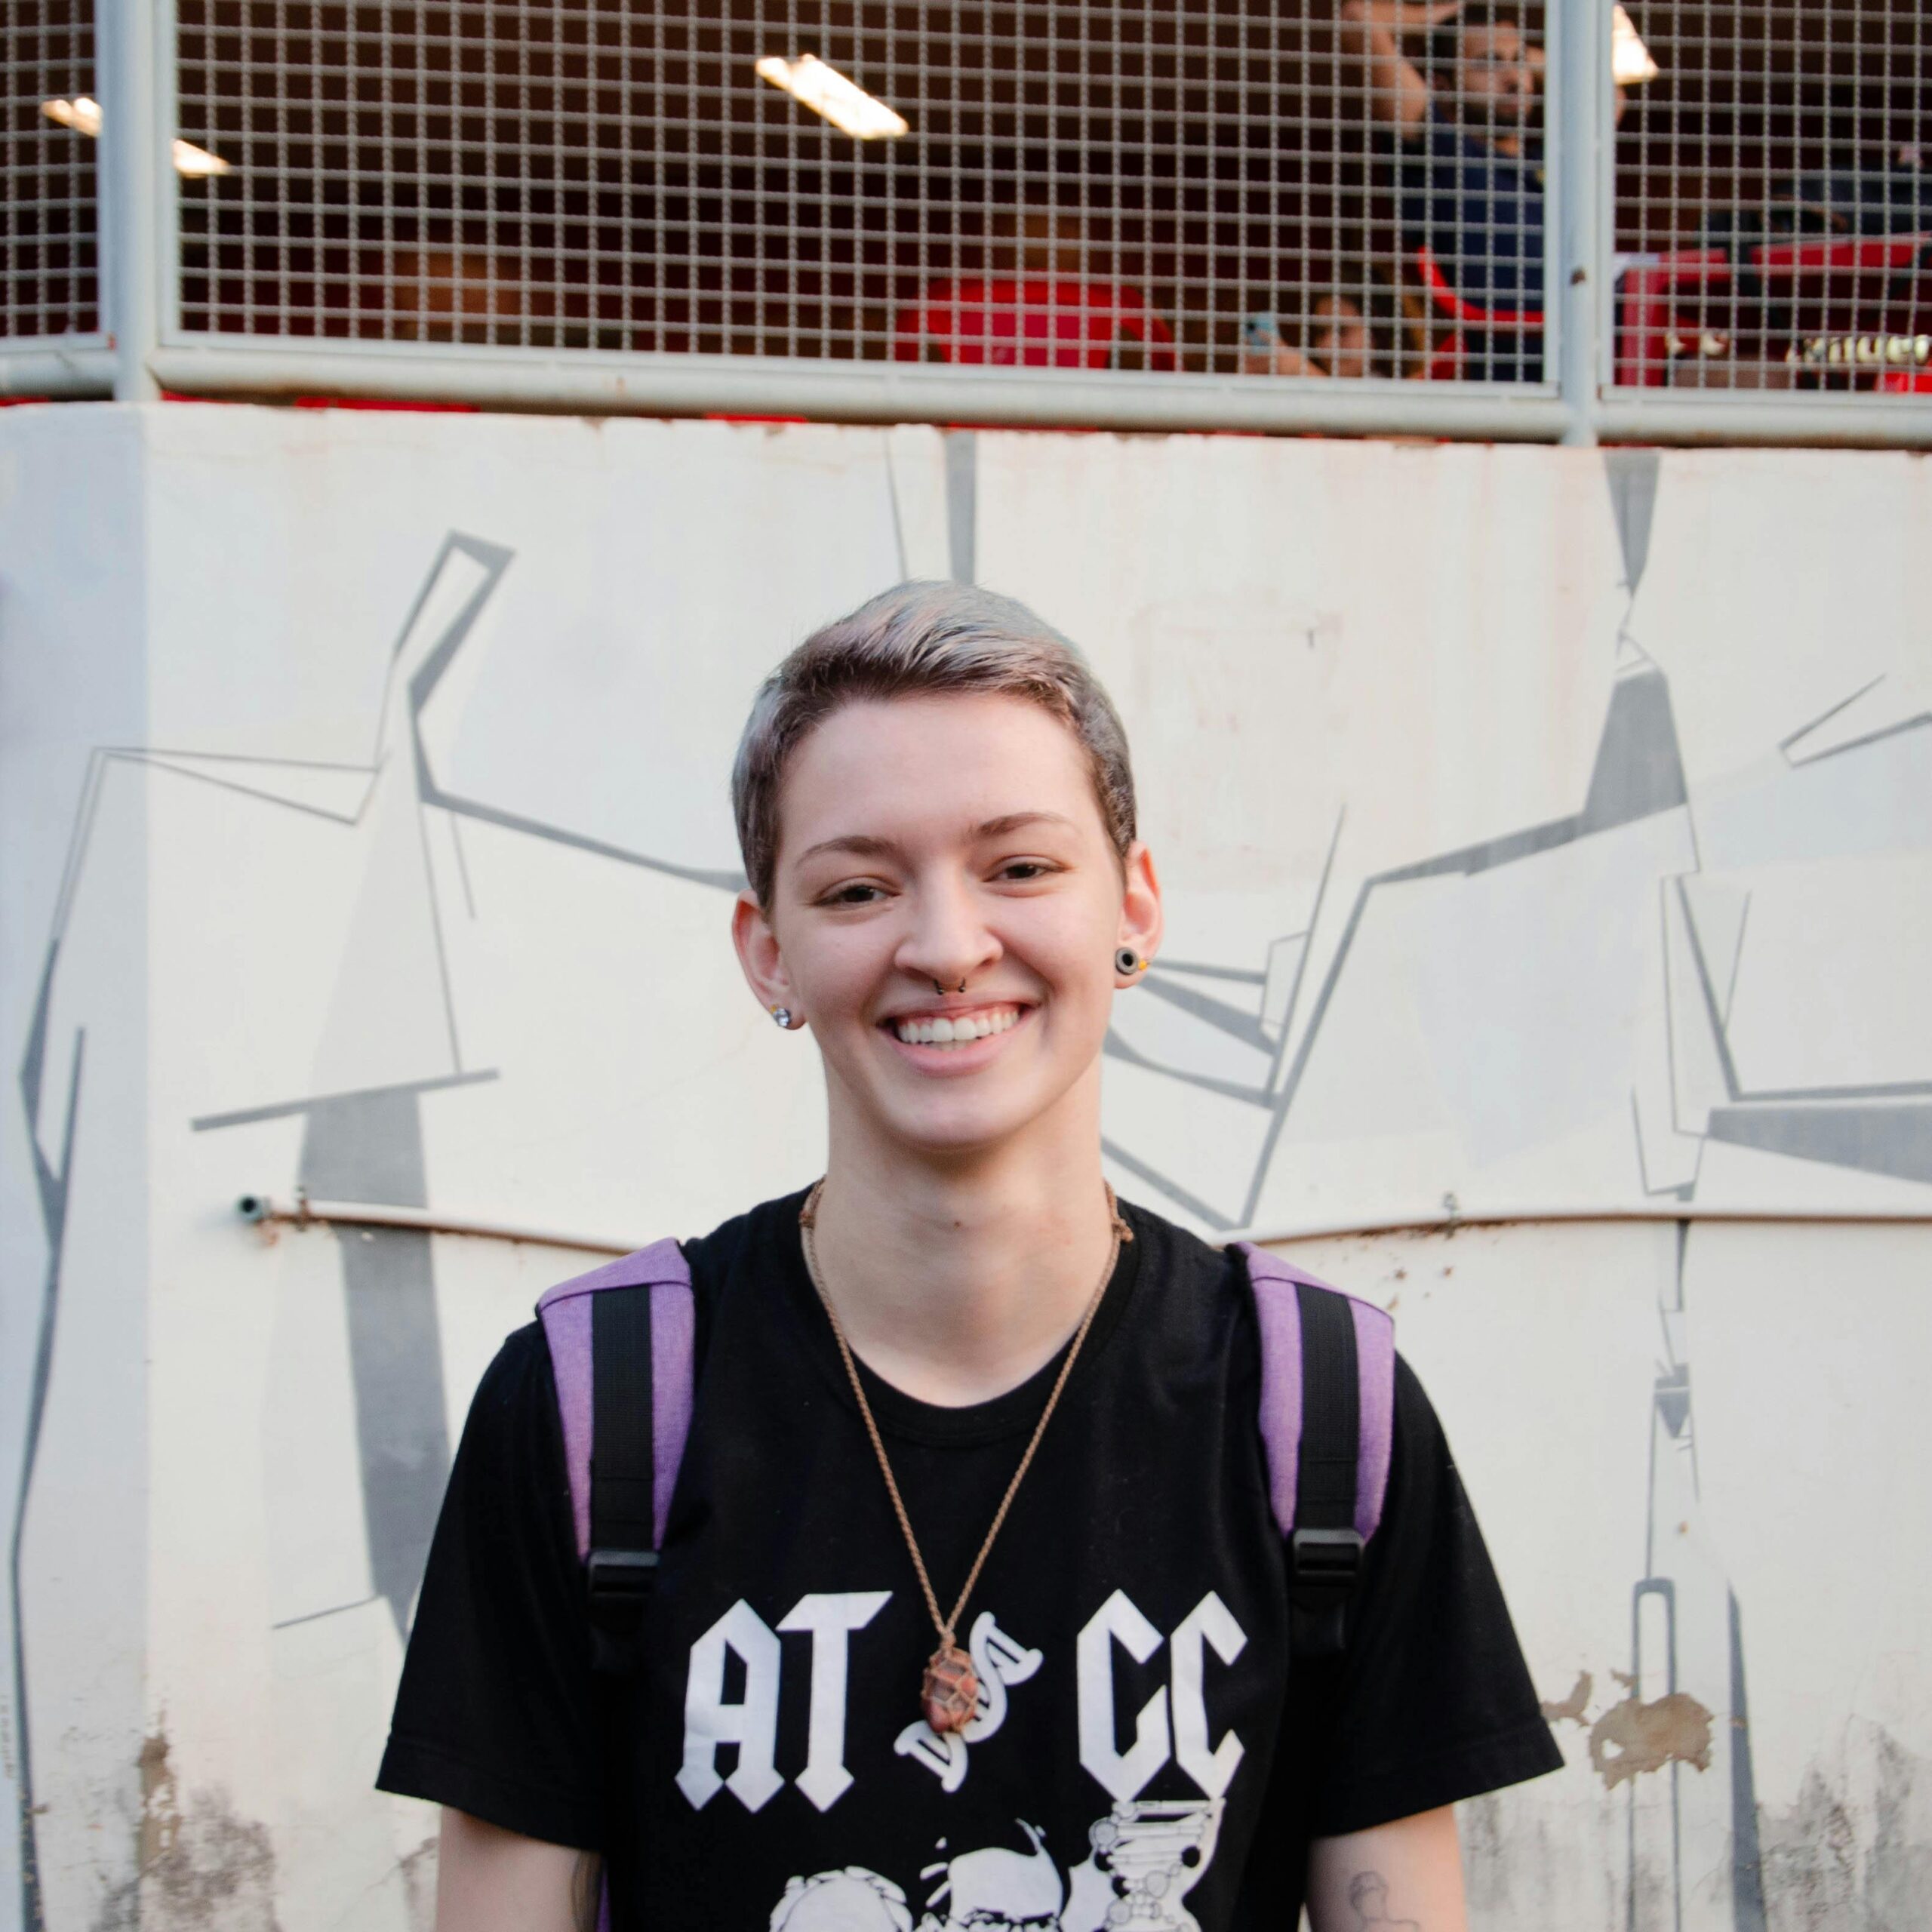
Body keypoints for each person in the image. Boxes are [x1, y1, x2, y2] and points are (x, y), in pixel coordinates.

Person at [375, 583, 1562, 1930]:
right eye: (859, 888)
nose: (946, 948)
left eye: (1021, 868)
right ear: (769, 954)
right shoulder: (593, 1407)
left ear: (1135, 906)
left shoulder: (1325, 1412)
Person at [1338, 0, 1547, 381]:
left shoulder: (1556, 165)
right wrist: (1448, 16)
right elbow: (1357, 20)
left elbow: (1611, 96)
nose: (1514, 78)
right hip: (1517, 375)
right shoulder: (1443, 151)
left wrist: (1504, 45)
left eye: (1519, 62)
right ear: (1442, 86)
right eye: (1487, 64)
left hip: (1596, 355)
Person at [1239, 275, 1425, 380]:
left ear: (1378, 334)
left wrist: (1299, 370)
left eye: (1342, 330)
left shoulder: (1396, 392)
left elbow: (1358, 419)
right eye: (1321, 332)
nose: (1328, 344)